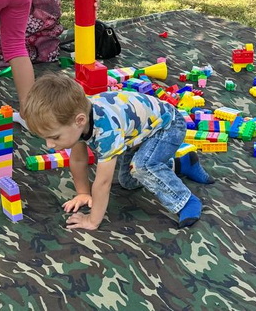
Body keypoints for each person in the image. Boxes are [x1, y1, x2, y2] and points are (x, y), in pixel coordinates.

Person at [23, 73, 214, 230]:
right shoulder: (76, 118)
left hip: (169, 125)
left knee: (142, 166)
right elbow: (78, 160)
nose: (49, 145)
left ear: (80, 121)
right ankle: (183, 164)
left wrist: (92, 220)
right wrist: (83, 193)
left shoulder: (106, 130)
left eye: (55, 137)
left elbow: (103, 182)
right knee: (128, 181)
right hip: (140, 133)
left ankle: (186, 201)